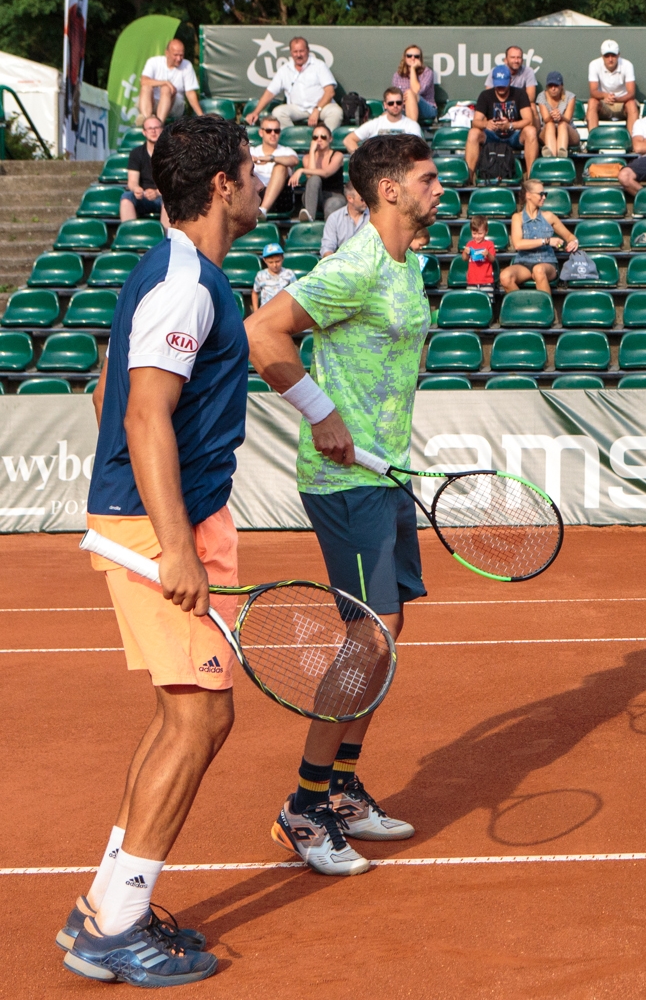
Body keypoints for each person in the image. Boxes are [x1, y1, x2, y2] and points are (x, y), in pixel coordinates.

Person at [66, 114, 260, 988]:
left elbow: (111, 388)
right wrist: (175, 546)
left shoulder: (179, 272)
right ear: (221, 184)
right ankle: (120, 926)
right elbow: (143, 411)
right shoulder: (186, 280)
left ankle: (106, 906)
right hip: (157, 527)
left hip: (160, 516)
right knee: (204, 715)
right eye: (252, 172)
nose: (262, 185)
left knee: (178, 711)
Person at [244, 133, 443, 876]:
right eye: (426, 179)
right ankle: (303, 804)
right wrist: (321, 410)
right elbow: (263, 333)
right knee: (369, 640)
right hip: (342, 479)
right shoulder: (351, 265)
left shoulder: (410, 262)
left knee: (384, 635)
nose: (438, 188)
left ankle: (344, 786)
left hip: (384, 472)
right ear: (388, 190)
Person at [244, 36, 343, 131]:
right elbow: (270, 92)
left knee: (336, 112)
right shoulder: (284, 69)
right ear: (291, 52)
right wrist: (255, 112)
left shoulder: (319, 65)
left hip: (321, 107)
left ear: (307, 50)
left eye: (301, 51)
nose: (298, 55)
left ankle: (324, 140)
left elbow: (330, 92)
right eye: (295, 51)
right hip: (298, 108)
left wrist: (317, 110)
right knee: (278, 112)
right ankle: (294, 137)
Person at [499, 179, 578, 294]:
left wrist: (574, 242)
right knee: (505, 277)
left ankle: (546, 310)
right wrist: (546, 241)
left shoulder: (549, 216)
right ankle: (525, 306)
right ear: (528, 195)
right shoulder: (518, 217)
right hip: (523, 263)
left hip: (547, 262)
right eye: (541, 194)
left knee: (538, 270)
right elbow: (518, 244)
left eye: (545, 194)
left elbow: (569, 236)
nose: (544, 197)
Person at [467, 65, 537, 183]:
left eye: (503, 84)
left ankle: (530, 178)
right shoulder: (485, 95)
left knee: (531, 131)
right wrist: (486, 124)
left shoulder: (520, 94)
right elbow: (475, 121)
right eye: (498, 84)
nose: (501, 88)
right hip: (492, 134)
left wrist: (510, 125)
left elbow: (528, 120)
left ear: (510, 80)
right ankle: (469, 177)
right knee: (473, 133)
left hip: (514, 134)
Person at [138, 38, 202, 122]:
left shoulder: (187, 65)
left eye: (181, 55)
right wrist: (165, 82)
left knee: (166, 89)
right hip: (153, 102)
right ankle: (147, 121)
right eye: (175, 55)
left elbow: (190, 92)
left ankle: (159, 123)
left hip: (175, 105)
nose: (179, 59)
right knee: (146, 88)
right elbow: (144, 81)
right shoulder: (153, 62)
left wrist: (201, 115)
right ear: (167, 53)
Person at [344, 88, 424, 153]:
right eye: (391, 103)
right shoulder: (375, 124)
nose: (395, 106)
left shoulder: (412, 125)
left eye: (398, 103)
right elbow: (348, 140)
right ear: (385, 105)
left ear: (403, 104)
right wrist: (361, 158)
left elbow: (417, 148)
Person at [292, 123, 345, 222]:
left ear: (330, 139)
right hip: (314, 197)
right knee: (314, 178)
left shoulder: (337, 155)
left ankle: (329, 234)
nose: (319, 140)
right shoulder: (307, 158)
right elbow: (311, 176)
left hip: (334, 196)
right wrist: (312, 152)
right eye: (315, 137)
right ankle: (309, 217)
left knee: (331, 205)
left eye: (323, 137)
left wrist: (301, 170)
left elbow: (326, 173)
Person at [120, 116, 167, 224]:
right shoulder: (136, 153)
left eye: (156, 127)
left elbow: (173, 183)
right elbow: (132, 181)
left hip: (163, 195)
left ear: (162, 130)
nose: (153, 131)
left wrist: (157, 192)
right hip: (143, 196)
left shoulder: (170, 154)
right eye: (150, 128)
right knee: (126, 197)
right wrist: (137, 189)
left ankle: (167, 237)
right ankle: (129, 235)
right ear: (144, 132)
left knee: (170, 200)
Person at [249, 117, 300, 217]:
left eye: (276, 131)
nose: (273, 134)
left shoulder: (286, 151)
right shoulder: (252, 152)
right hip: (255, 194)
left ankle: (263, 210)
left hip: (280, 199)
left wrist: (270, 158)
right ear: (261, 132)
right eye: (269, 131)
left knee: (281, 167)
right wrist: (250, 161)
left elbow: (294, 160)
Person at [586, 39, 639, 130]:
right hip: (604, 103)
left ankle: (633, 141)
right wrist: (605, 95)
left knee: (631, 104)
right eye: (607, 56)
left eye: (613, 55)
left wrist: (617, 99)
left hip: (623, 102)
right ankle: (593, 139)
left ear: (618, 55)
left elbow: (631, 93)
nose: (610, 59)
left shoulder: (627, 65)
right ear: (602, 56)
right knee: (592, 102)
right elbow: (593, 91)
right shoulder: (594, 64)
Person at [536, 72, 579, 158]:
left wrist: (561, 117)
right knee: (550, 124)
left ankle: (561, 154)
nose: (553, 88)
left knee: (562, 124)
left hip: (568, 132)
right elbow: (545, 119)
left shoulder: (570, 96)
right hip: (547, 131)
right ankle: (552, 157)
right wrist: (552, 117)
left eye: (556, 86)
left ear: (561, 86)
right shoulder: (541, 96)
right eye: (550, 86)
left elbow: (567, 119)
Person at [321, 182, 369, 257]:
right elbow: (327, 248)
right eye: (362, 199)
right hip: (343, 263)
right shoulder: (334, 218)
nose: (366, 201)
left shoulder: (374, 216)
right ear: (350, 198)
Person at [393, 45, 438, 122]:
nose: (413, 58)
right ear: (405, 58)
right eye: (409, 56)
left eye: (416, 56)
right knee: (386, 113)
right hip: (404, 108)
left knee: (410, 93)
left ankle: (413, 130)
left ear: (420, 59)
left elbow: (416, 91)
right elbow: (395, 96)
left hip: (427, 109)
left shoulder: (427, 72)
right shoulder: (397, 75)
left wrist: (412, 69)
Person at [252, 242, 296, 310]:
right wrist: (255, 310)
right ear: (264, 260)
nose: (274, 265)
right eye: (271, 262)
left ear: (282, 258)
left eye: (277, 261)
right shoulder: (260, 275)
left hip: (284, 309)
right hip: (265, 310)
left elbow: (295, 293)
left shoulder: (289, 274)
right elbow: (255, 292)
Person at [460, 214, 497, 289]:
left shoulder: (489, 244)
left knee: (488, 300)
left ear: (486, 231)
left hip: (486, 280)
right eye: (474, 233)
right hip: (472, 280)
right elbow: (464, 258)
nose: (477, 236)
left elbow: (492, 259)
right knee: (473, 300)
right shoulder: (469, 244)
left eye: (480, 233)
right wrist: (465, 252)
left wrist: (488, 254)